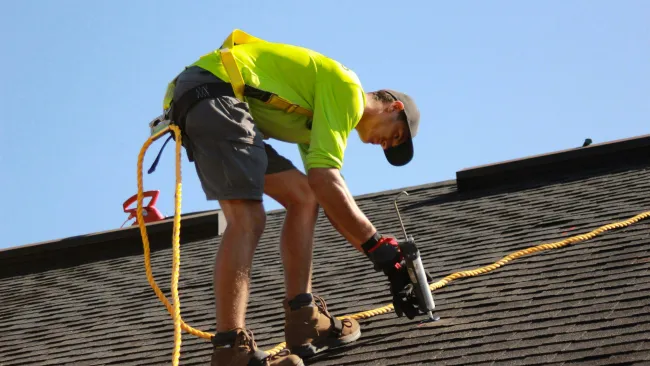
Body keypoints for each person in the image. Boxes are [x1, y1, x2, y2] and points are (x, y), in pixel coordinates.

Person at [162, 30, 422, 366]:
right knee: (248, 218)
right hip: (213, 95)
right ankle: (230, 350)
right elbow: (327, 180)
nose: (386, 144)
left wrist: (383, 256)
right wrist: (381, 250)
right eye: (395, 135)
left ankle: (304, 319)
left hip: (214, 101)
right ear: (393, 107)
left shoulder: (318, 117)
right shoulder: (347, 89)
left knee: (304, 198)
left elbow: (326, 193)